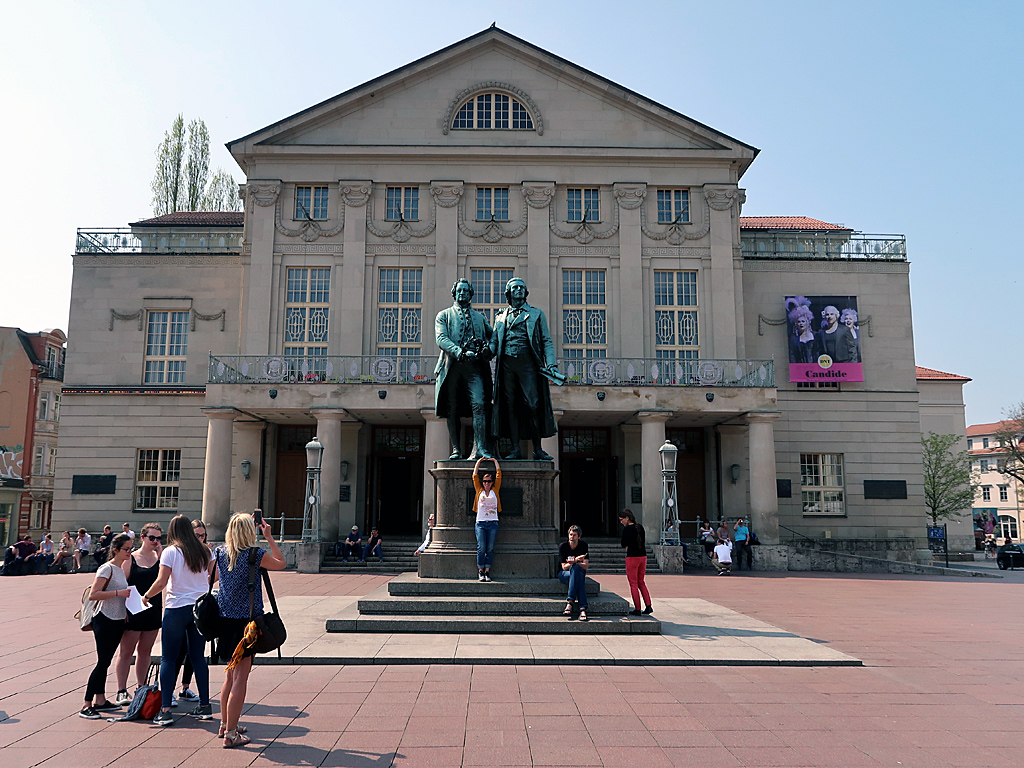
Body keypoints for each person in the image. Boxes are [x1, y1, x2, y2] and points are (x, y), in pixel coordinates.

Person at [213, 512, 286, 748]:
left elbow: (212, 578)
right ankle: (231, 733)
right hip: (248, 625)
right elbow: (282, 563)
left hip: (225, 621)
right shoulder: (256, 554)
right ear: (249, 531)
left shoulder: (221, 553)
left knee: (229, 675)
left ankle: (225, 723)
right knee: (240, 679)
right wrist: (269, 537)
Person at [141, 514, 213, 726]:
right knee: (198, 657)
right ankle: (205, 705)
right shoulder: (204, 550)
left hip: (176, 608)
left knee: (169, 658)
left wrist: (146, 596)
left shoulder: (171, 552)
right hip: (199, 608)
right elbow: (213, 576)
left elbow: (162, 581)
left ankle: (165, 709)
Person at [489, 277, 562, 460]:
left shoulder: (536, 314)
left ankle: (537, 448)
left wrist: (551, 365)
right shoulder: (500, 316)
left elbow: (546, 341)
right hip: (507, 365)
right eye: (515, 288)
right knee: (511, 406)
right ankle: (515, 449)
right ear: (508, 293)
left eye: (522, 288)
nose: (519, 290)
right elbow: (493, 344)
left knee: (533, 405)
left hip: (528, 365)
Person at [434, 278, 494, 460]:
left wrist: (487, 349)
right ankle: (456, 449)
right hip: (452, 367)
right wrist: (459, 351)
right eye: (459, 291)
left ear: (470, 294)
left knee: (479, 404)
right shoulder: (443, 315)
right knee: (452, 408)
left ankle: (481, 448)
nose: (462, 294)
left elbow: (493, 339)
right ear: (454, 294)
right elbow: (441, 339)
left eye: (466, 291)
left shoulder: (480, 318)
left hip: (474, 368)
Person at [79, 533, 133, 719]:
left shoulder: (120, 569)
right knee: (102, 662)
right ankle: (86, 703)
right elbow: (94, 594)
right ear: (116, 550)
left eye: (131, 549)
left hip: (117, 619)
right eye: (126, 549)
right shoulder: (107, 568)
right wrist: (118, 592)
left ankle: (100, 700)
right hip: (104, 619)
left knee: (106, 660)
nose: (129, 552)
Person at [113, 522, 162, 706]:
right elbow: (121, 584)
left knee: (145, 651)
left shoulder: (160, 559)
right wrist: (122, 610)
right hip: (133, 610)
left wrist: (161, 554)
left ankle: (141, 687)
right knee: (126, 651)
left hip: (153, 609)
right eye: (152, 538)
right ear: (142, 538)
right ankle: (121, 690)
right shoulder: (130, 558)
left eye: (159, 538)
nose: (155, 541)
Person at [173, 519, 211, 706]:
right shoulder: (180, 551)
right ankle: (169, 690)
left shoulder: (206, 551)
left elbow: (215, 575)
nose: (200, 538)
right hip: (181, 605)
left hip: (199, 606)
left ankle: (185, 687)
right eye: (196, 535)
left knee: (194, 653)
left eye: (202, 535)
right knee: (178, 651)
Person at [473, 456, 501, 582]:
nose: (486, 483)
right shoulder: (480, 491)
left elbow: (499, 475)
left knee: (490, 548)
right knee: (481, 548)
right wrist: (479, 462)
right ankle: (480, 571)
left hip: (493, 522)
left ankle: (487, 572)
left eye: (489, 481)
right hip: (480, 523)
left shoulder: (495, 490)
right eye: (485, 481)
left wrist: (495, 461)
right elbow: (474, 476)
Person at [619, 509, 652, 615]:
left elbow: (623, 543)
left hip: (632, 557)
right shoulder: (640, 527)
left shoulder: (627, 529)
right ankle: (648, 605)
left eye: (622, 519)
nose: (621, 522)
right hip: (643, 556)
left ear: (627, 518)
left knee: (633, 583)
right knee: (641, 582)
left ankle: (637, 608)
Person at [558, 525, 589, 621]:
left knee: (576, 571)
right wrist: (576, 560)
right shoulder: (563, 546)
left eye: (574, 535)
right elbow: (564, 567)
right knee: (576, 572)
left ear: (579, 537)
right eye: (570, 535)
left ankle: (570, 602)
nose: (572, 537)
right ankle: (582, 609)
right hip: (564, 574)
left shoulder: (583, 546)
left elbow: (586, 566)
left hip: (578, 574)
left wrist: (576, 563)